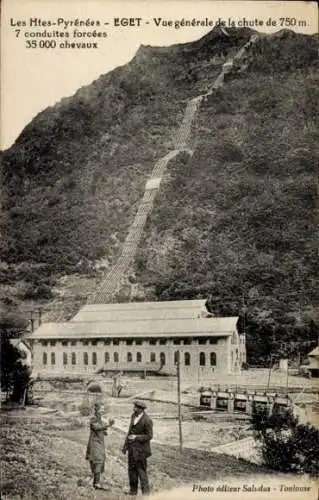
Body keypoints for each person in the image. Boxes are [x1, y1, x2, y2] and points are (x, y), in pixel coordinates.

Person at [122, 400, 153, 496]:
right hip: (132, 449)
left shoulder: (147, 420)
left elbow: (149, 436)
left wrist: (136, 437)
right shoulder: (133, 416)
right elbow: (129, 431)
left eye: (135, 407)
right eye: (134, 407)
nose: (133, 408)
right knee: (131, 470)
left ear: (140, 409)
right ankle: (133, 491)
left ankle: (146, 494)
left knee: (141, 471)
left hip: (141, 451)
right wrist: (125, 446)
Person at [86, 402, 114, 489]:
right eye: (101, 409)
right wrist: (108, 425)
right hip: (95, 443)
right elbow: (96, 427)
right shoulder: (94, 418)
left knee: (99, 460)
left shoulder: (99, 418)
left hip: (99, 442)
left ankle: (96, 482)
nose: (103, 410)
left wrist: (105, 432)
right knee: (97, 460)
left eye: (103, 409)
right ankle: (96, 483)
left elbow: (99, 429)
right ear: (97, 409)